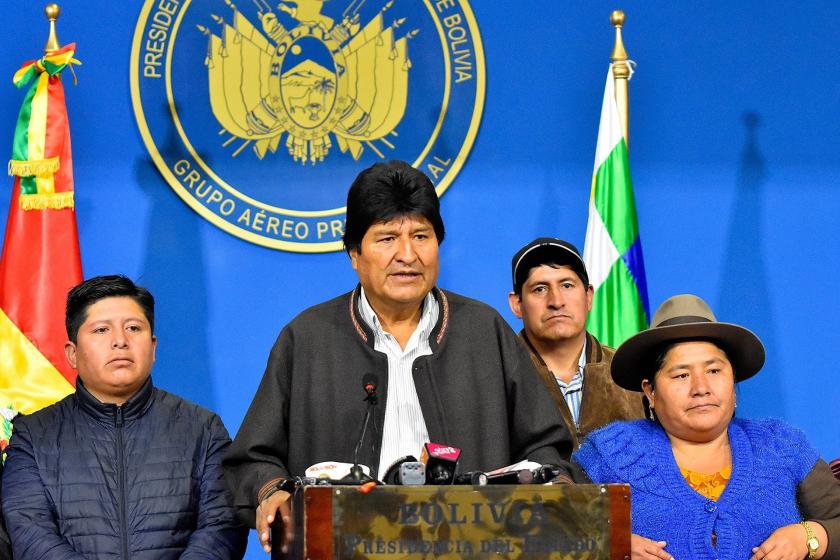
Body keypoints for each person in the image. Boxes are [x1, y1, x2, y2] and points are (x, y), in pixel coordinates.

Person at [223, 160, 577, 554]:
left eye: (421, 236)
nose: (407, 254)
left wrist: (555, 484)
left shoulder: (483, 330)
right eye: (387, 238)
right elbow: (253, 459)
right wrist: (272, 492)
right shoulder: (307, 338)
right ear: (354, 254)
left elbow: (545, 447)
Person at [574, 294, 840, 560]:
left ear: (733, 383)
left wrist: (810, 536)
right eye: (681, 375)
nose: (701, 388)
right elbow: (549, 526)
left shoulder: (781, 445)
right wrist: (608, 542)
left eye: (714, 371)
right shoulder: (611, 451)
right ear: (650, 392)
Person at [2, 275, 247, 559]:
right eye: (101, 330)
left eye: (133, 328)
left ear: (153, 347)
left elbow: (222, 525)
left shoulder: (203, 429)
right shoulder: (33, 435)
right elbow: (29, 531)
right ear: (72, 353)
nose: (120, 341)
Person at [509, 237, 644, 446]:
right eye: (540, 289)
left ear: (588, 296)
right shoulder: (496, 378)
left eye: (567, 285)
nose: (556, 301)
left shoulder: (629, 374)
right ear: (517, 304)